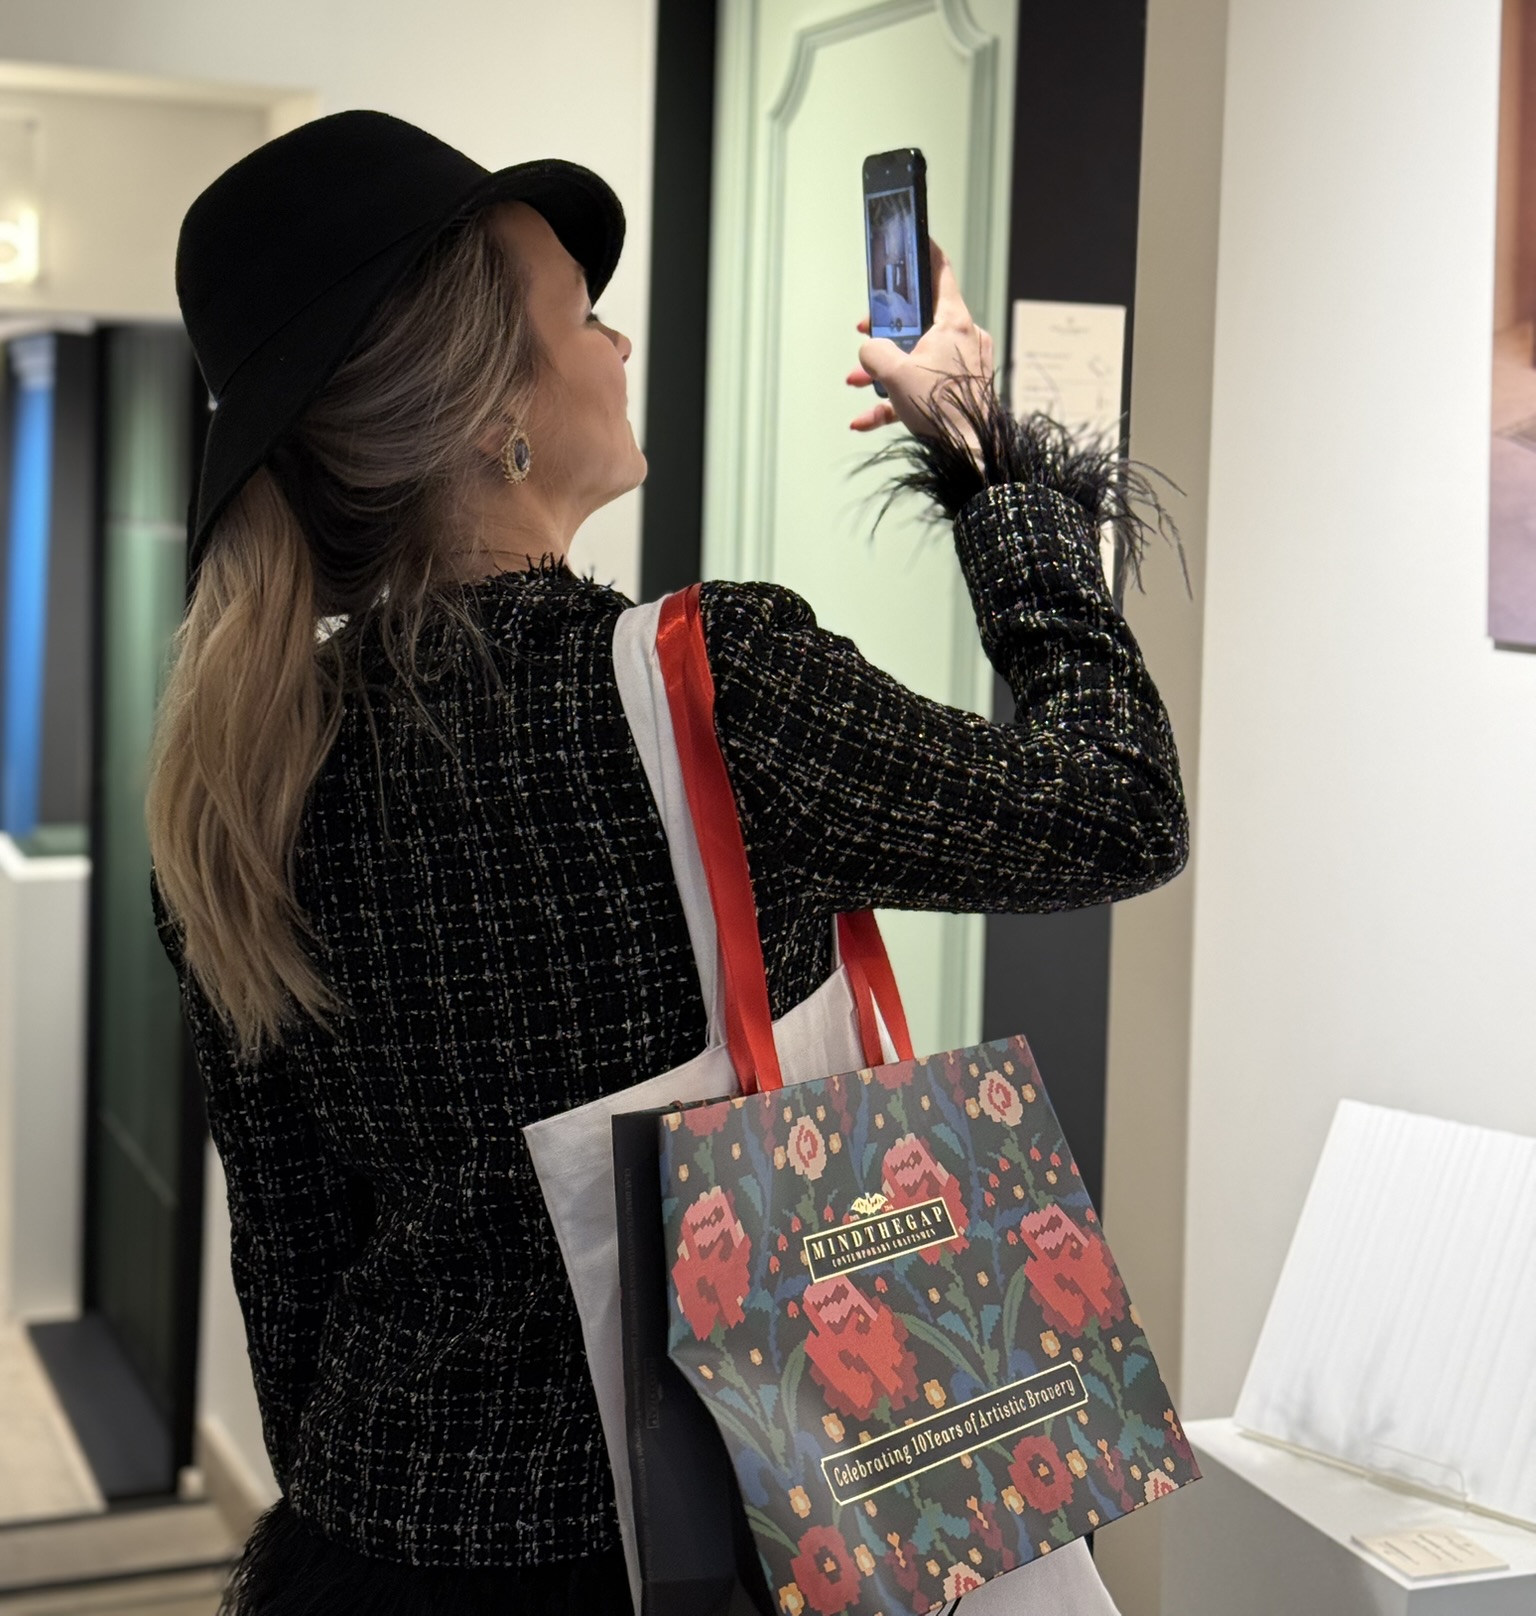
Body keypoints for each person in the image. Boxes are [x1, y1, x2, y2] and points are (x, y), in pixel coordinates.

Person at [146, 111, 1188, 1615]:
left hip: (381, 1546)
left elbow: (291, 1264)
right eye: (583, 314)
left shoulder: (238, 791)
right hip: (728, 1529)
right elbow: (1119, 806)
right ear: (493, 409)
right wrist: (978, 458)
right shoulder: (711, 683)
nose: (620, 342)